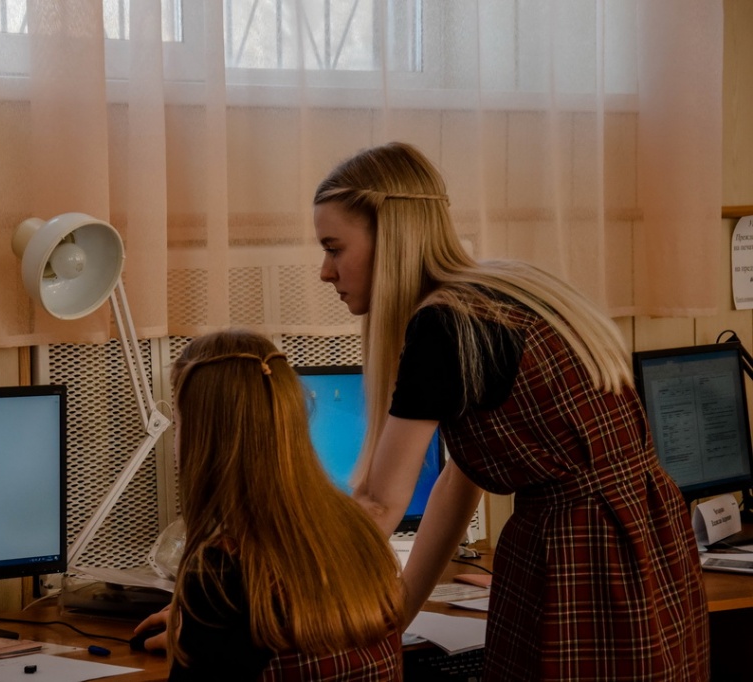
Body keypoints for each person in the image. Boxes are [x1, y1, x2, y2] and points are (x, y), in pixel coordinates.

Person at [312, 141, 709, 681]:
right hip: (648, 534)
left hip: (581, 552)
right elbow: (459, 480)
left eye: (334, 248)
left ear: (391, 235)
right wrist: (399, 613)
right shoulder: (502, 288)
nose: (325, 271)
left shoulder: (442, 326)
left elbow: (380, 502)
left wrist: (288, 603)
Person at [135, 329, 405, 681]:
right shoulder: (359, 531)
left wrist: (198, 635)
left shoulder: (224, 573)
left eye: (179, 422)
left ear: (201, 437)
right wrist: (200, 631)